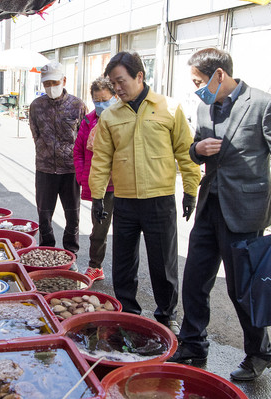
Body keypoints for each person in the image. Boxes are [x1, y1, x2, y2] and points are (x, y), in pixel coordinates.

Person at [169, 48, 271, 381]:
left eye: (200, 81)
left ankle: (260, 353)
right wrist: (197, 151)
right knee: (194, 281)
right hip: (210, 206)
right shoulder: (203, 107)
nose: (197, 87)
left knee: (242, 290)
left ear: (219, 76)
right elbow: (195, 151)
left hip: (245, 211)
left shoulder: (263, 104)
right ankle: (193, 344)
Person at [89, 52, 200, 335]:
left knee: (164, 263)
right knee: (124, 263)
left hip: (159, 199)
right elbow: (102, 157)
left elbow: (185, 153)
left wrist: (190, 190)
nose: (117, 89)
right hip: (124, 200)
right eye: (113, 84)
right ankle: (128, 312)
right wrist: (97, 196)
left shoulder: (168, 108)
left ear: (140, 76)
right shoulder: (111, 115)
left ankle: (166, 315)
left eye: (121, 81)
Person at [29, 61, 87, 257]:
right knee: (44, 214)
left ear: (64, 80)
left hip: (70, 169)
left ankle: (71, 252)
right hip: (44, 169)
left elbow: (83, 138)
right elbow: (35, 133)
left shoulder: (77, 105)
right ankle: (46, 250)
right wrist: (44, 151)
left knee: (73, 214)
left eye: (54, 82)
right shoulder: (36, 106)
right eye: (46, 84)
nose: (50, 87)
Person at [73, 77, 118, 282]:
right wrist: (84, 177)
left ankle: (124, 272)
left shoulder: (123, 118)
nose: (100, 104)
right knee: (98, 229)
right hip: (102, 187)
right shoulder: (88, 121)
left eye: (105, 99)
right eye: (96, 100)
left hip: (124, 184)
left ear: (115, 97)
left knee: (126, 232)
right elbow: (79, 152)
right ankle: (95, 267)